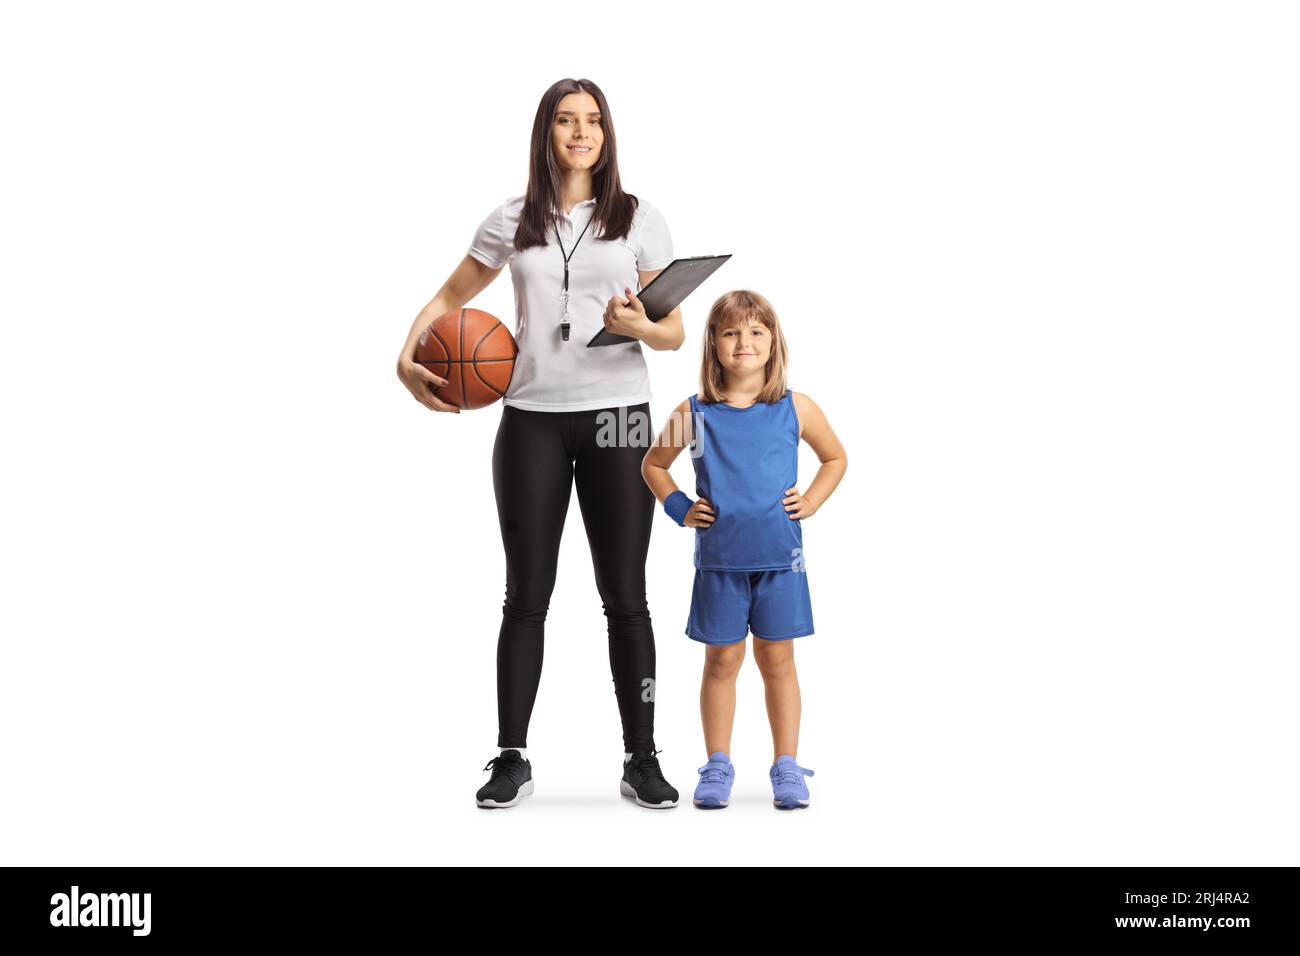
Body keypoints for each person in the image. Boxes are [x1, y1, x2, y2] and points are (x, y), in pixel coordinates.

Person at [396, 78, 684, 809]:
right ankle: (511, 756)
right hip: (530, 417)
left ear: (607, 133)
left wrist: (640, 326)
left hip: (619, 415)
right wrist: (406, 352)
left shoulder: (640, 220)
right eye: (566, 120)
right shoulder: (512, 218)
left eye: (592, 121)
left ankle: (642, 756)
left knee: (627, 595)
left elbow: (673, 332)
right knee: (525, 595)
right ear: (546, 132)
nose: (580, 132)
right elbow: (448, 298)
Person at [641, 290, 847, 809]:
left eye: (756, 331)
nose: (744, 342)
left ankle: (786, 765)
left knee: (778, 661)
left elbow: (835, 458)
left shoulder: (795, 407)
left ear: (773, 340)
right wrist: (680, 508)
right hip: (719, 565)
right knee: (722, 661)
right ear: (713, 343)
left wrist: (813, 502)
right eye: (731, 332)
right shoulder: (694, 412)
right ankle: (717, 764)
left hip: (782, 562)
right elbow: (653, 466)